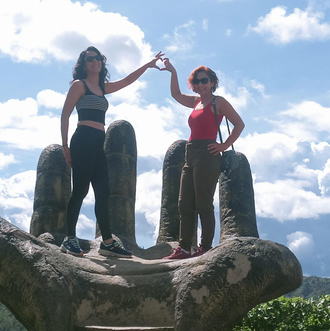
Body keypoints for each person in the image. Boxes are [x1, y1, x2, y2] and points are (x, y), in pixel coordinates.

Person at [60, 46, 163, 258]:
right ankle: (69, 238)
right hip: (82, 140)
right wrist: (65, 146)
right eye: (90, 59)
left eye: (97, 58)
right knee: (80, 190)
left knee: (103, 192)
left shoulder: (102, 87)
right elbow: (64, 115)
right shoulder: (79, 85)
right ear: (84, 64)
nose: (95, 61)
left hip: (98, 143)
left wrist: (148, 65)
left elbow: (127, 81)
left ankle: (107, 242)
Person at [161, 59, 244, 259]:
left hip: (208, 154)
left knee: (203, 204)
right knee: (184, 203)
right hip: (190, 153)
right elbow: (175, 94)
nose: (200, 85)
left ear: (213, 82)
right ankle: (183, 248)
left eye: (204, 81)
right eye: (196, 82)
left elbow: (239, 124)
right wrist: (172, 71)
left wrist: (223, 146)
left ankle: (204, 247)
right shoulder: (196, 101)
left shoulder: (219, 102)